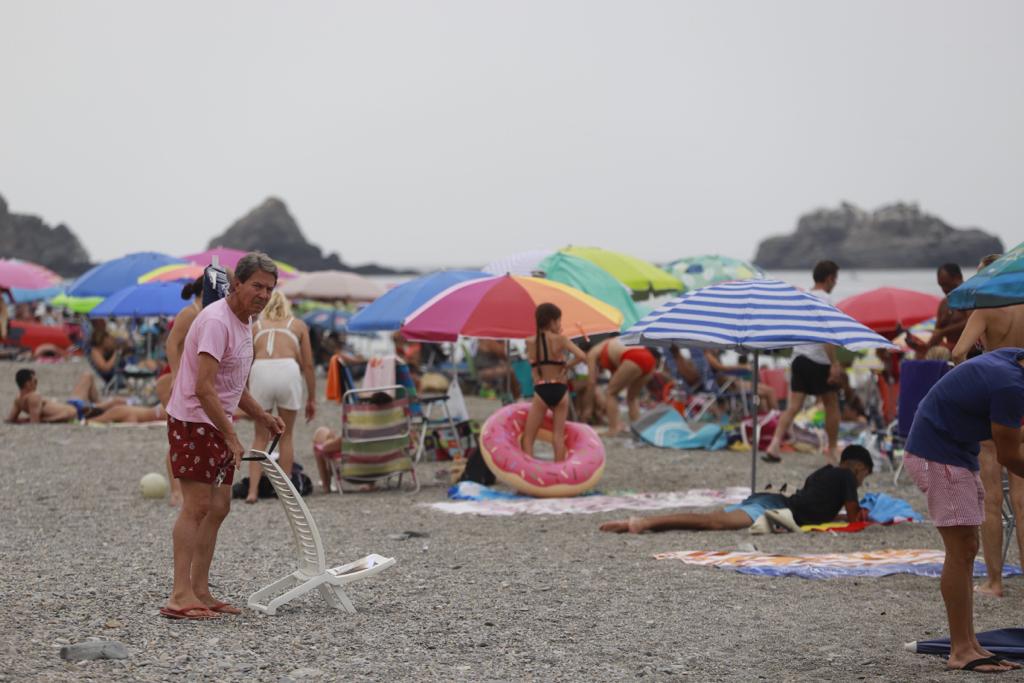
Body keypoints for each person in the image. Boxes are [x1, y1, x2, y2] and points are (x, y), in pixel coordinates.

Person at [162, 252, 285, 620]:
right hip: (194, 420)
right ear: (236, 285)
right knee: (196, 506)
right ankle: (178, 594)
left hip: (216, 421)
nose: (263, 294)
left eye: (269, 288)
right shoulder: (217, 321)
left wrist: (262, 415)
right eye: (257, 286)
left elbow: (230, 385)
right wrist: (232, 436)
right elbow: (203, 387)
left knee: (219, 507)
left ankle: (200, 589)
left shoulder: (245, 321)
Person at [903, 349, 1024, 673]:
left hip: (954, 452)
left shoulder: (1012, 360)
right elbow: (1010, 455)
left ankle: (969, 644)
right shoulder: (1010, 384)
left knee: (967, 548)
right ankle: (960, 650)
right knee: (961, 549)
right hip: (938, 454)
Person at [950, 254, 1024, 598]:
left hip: (993, 399)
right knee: (1023, 499)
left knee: (991, 498)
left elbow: (958, 352)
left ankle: (995, 582)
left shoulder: (985, 309)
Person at [600, 445, 872, 533]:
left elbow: (817, 510)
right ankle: (640, 522)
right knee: (713, 523)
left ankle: (640, 522)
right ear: (857, 467)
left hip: (771, 501)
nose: (861, 482)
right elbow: (853, 516)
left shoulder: (826, 473)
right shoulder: (846, 476)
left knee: (711, 520)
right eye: (864, 476)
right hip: (773, 509)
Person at [763, 260, 842, 464]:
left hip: (798, 357)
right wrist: (834, 363)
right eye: (835, 279)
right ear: (829, 278)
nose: (835, 283)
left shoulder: (803, 297)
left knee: (793, 406)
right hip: (818, 360)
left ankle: (774, 445)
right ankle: (832, 449)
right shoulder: (825, 299)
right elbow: (827, 336)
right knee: (832, 405)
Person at [244, 291, 316, 504]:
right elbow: (309, 365)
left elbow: (246, 362)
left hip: (260, 371)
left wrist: (246, 394)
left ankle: (253, 491)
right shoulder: (298, 325)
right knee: (286, 435)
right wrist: (312, 398)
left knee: (260, 436)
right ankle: (284, 493)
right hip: (288, 369)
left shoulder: (255, 326)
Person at [154, 276, 204, 507]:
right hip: (174, 380)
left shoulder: (206, 312)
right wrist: (176, 374)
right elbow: (171, 344)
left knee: (194, 436)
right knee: (179, 438)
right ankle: (176, 491)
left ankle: (190, 486)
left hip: (192, 382)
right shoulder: (190, 312)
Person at [521, 304, 587, 461]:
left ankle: (530, 475)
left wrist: (537, 379)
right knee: (558, 436)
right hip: (560, 389)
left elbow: (534, 369)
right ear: (551, 322)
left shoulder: (529, 341)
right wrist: (566, 366)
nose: (560, 325)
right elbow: (582, 356)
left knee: (529, 437)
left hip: (542, 390)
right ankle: (560, 473)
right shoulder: (561, 339)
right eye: (559, 321)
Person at [586, 337, 657, 437]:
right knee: (632, 397)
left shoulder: (592, 353)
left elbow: (591, 381)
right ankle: (638, 429)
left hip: (633, 357)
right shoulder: (610, 343)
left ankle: (614, 428)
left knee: (610, 393)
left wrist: (588, 407)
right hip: (649, 357)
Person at [7, 368, 125, 423]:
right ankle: (99, 405)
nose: (36, 384)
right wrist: (47, 420)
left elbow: (11, 419)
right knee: (118, 402)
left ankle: (98, 403)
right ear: (27, 384)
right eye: (35, 381)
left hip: (72, 405)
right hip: (80, 411)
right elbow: (36, 423)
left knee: (87, 376)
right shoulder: (34, 396)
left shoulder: (18, 399)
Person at [908, 263, 968, 354]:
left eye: (947, 284)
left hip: (971, 354)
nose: (944, 289)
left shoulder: (971, 298)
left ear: (958, 277)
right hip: (950, 356)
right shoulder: (944, 303)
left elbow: (972, 321)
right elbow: (937, 333)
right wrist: (920, 347)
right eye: (941, 285)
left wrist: (943, 331)